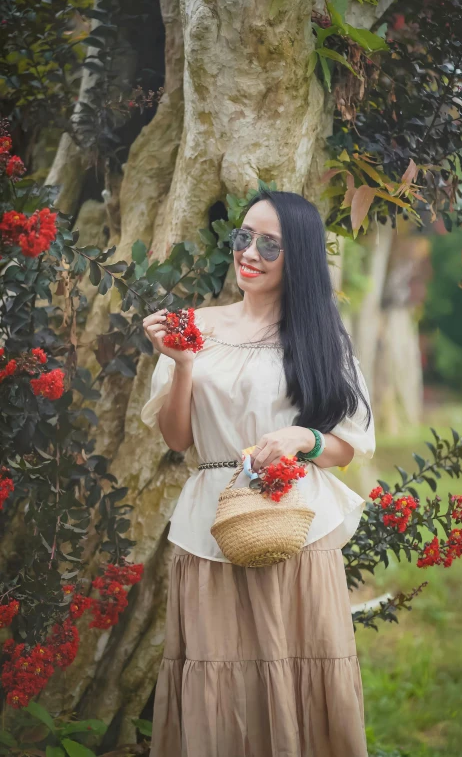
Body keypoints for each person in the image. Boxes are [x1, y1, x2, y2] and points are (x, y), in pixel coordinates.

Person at [141, 189, 375, 757]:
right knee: (218, 670)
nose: (250, 252)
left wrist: (303, 437)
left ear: (299, 256)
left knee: (300, 663)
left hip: (297, 524)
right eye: (244, 237)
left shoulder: (319, 338)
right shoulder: (195, 325)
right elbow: (178, 439)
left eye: (270, 244)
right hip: (213, 522)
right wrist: (183, 364)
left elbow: (349, 445)